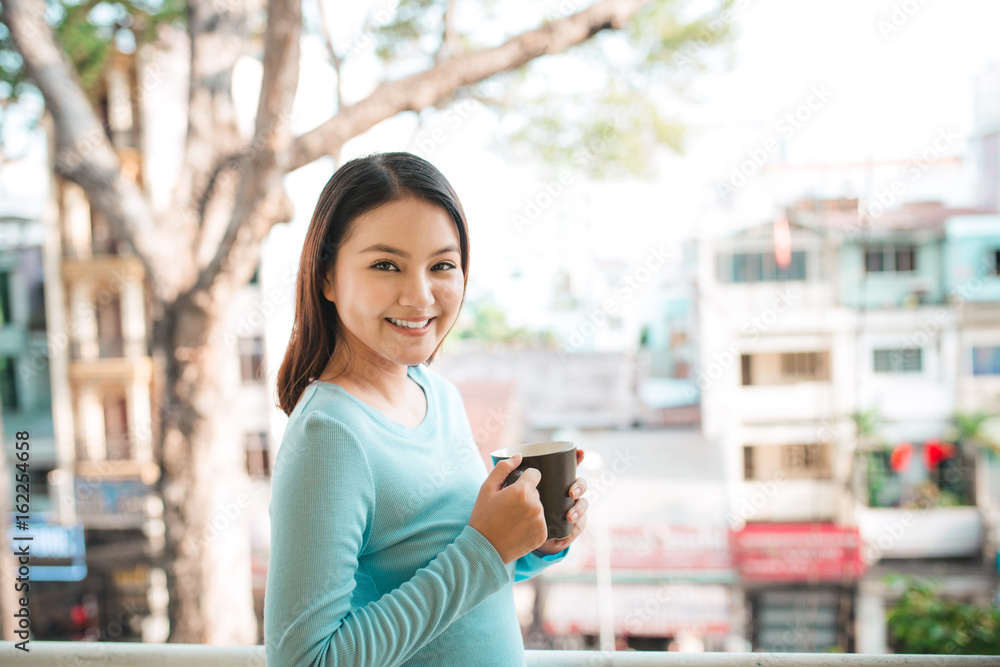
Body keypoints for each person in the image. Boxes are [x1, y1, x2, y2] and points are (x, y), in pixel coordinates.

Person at [265, 151, 589, 666]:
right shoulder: (330, 433)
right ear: (327, 278)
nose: (420, 296)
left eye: (442, 265)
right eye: (385, 265)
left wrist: (532, 542)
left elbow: (457, 576)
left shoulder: (438, 396)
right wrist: (484, 548)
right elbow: (306, 661)